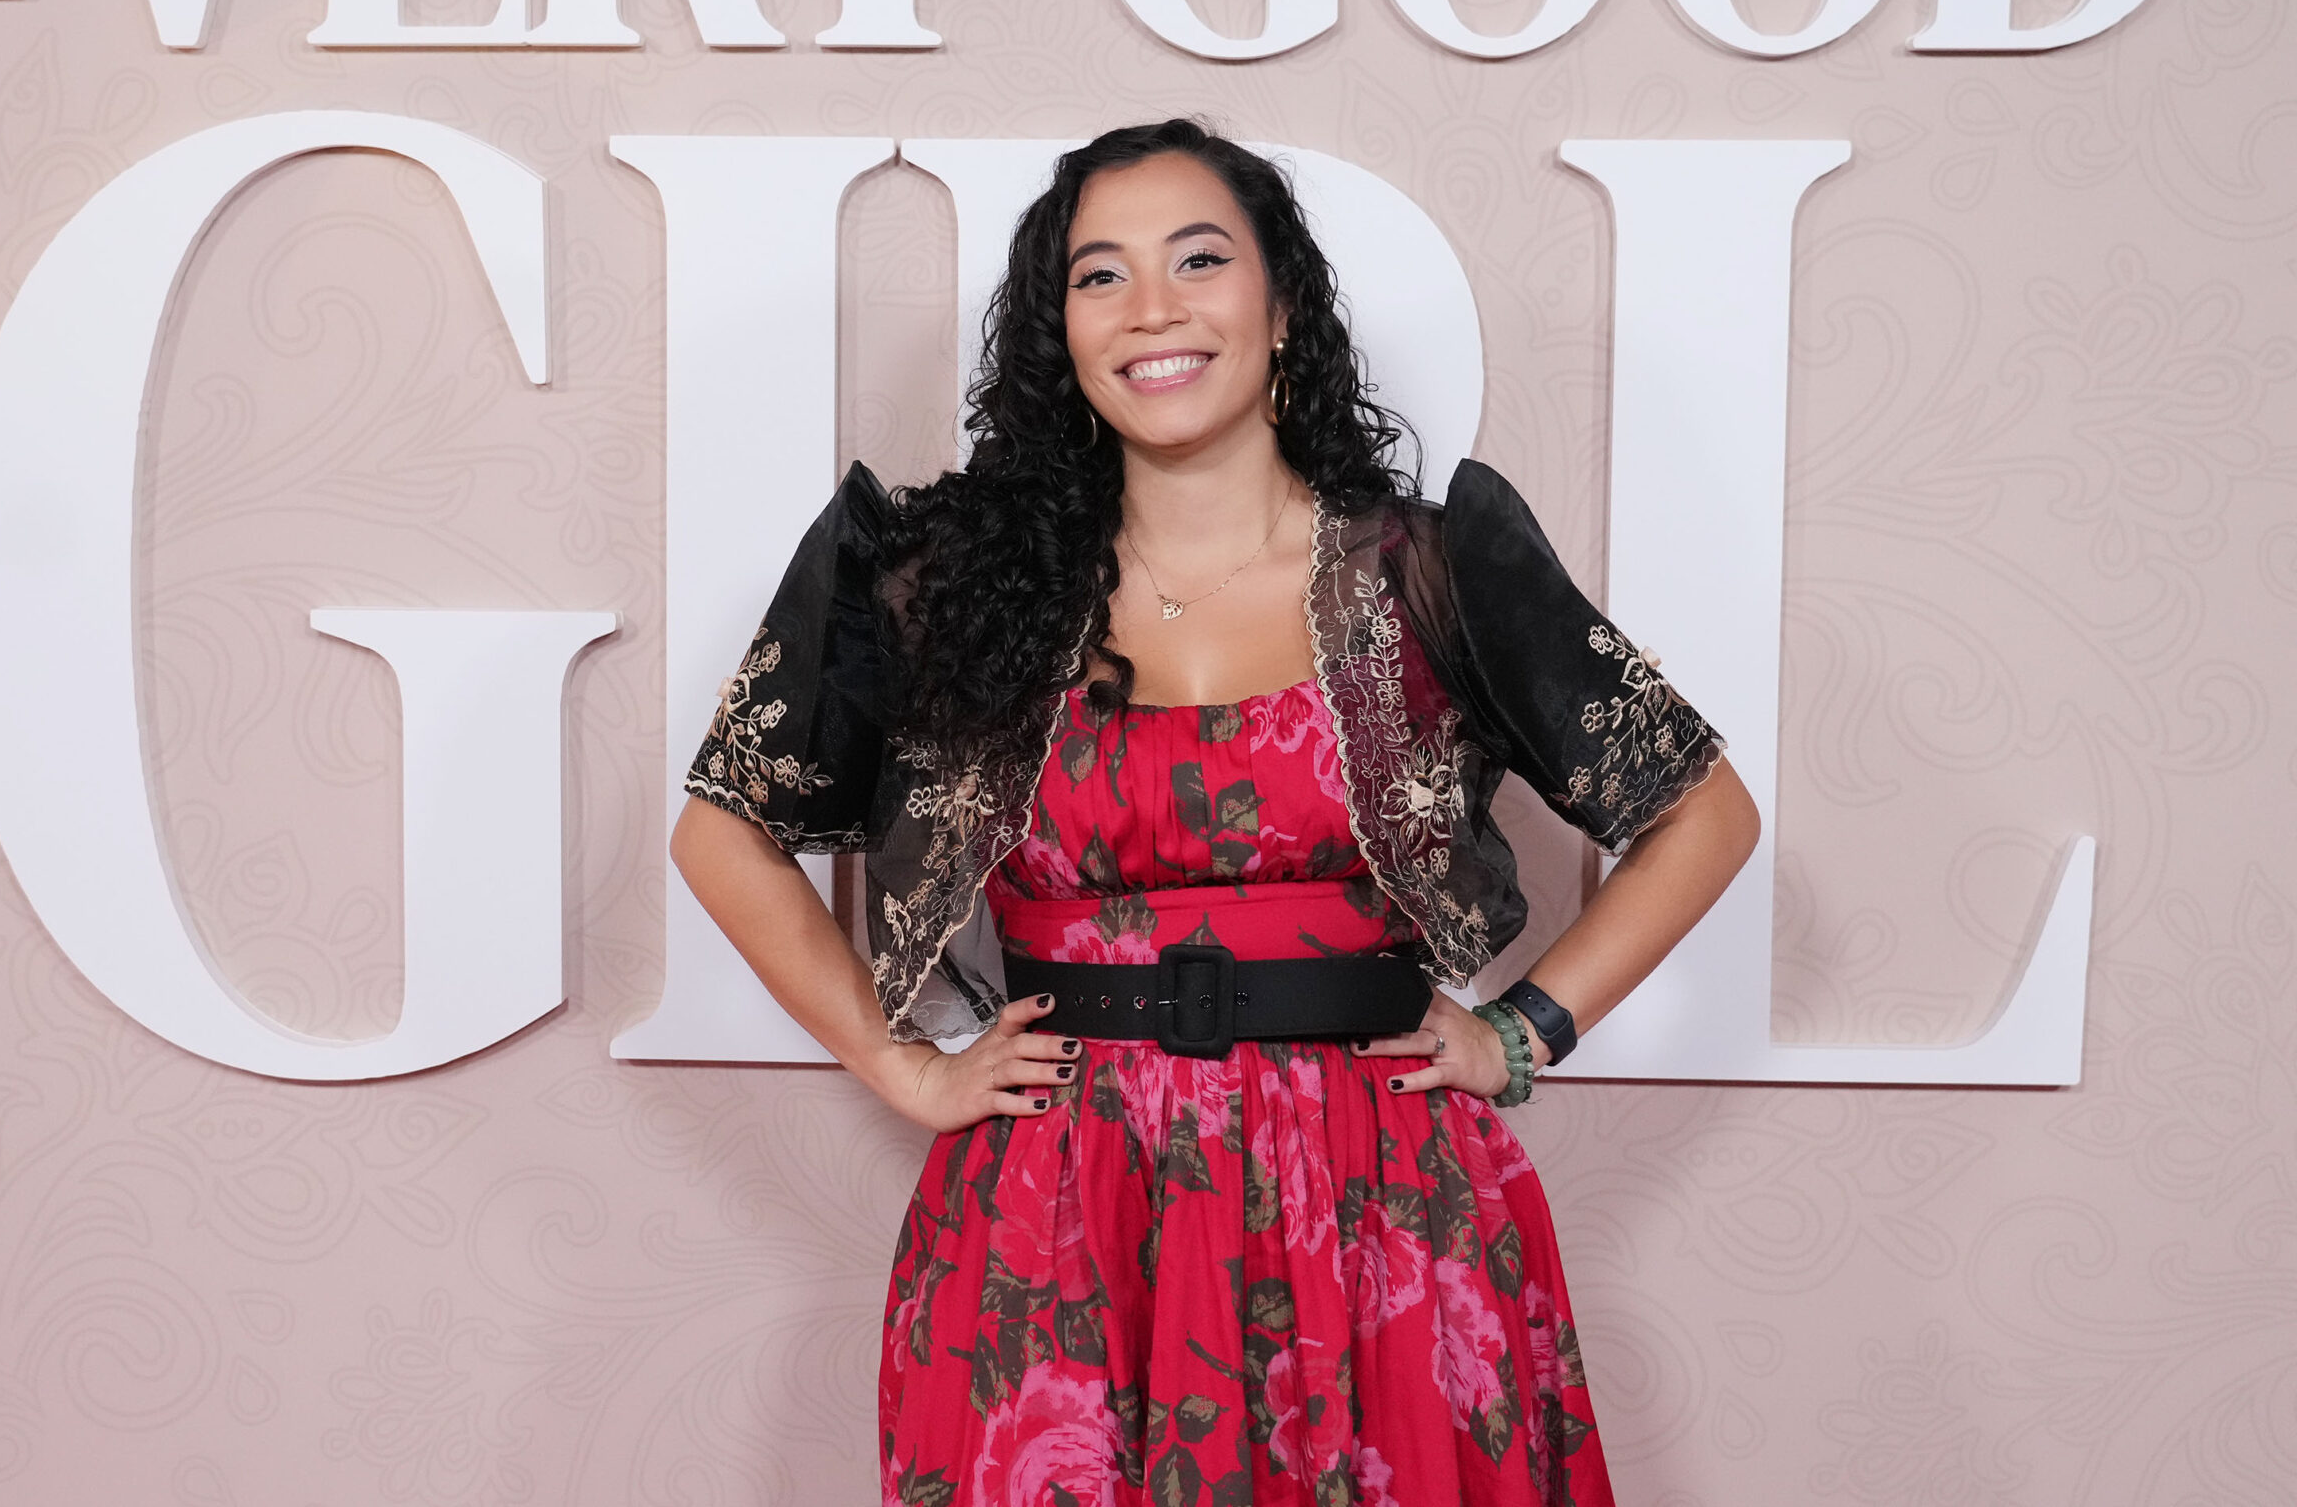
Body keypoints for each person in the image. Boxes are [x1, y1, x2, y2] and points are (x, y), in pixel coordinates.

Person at [670, 119, 1760, 1507]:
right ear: (1057, 331)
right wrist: (907, 1070)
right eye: (1099, 276)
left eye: (1199, 258)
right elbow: (722, 828)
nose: (1154, 309)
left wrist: (1517, 1033)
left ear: (1283, 303)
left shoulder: (1432, 571)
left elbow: (1703, 812)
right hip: (1060, 1209)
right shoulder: (943, 580)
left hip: (1383, 1204)